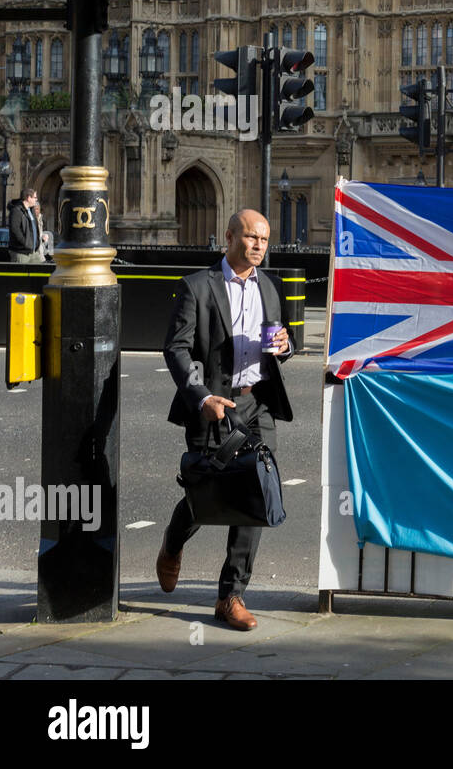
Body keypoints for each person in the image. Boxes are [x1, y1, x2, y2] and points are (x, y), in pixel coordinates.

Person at [156, 208, 295, 631]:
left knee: (255, 494)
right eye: (251, 238)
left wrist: (286, 346)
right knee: (206, 491)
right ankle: (173, 541)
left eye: (265, 240)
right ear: (230, 237)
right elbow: (176, 349)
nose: (258, 246)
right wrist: (201, 397)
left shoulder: (271, 288)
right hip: (215, 403)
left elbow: (283, 343)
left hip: (257, 404)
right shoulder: (198, 287)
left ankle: (230, 596)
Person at [7, 188, 41, 264]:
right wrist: (26, 243)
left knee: (41, 273)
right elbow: (15, 230)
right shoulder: (16, 210)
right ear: (29, 198)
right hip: (21, 252)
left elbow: (34, 228)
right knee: (19, 275)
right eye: (35, 197)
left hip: (33, 252)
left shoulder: (31, 210)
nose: (37, 199)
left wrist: (37, 243)